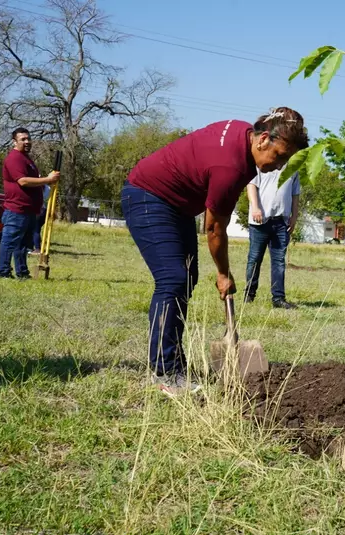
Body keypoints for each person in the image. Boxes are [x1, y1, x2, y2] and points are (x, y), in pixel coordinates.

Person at [121, 108, 308, 396]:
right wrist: (224, 273)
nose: (280, 165)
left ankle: (173, 360)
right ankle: (164, 371)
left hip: (177, 205)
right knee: (172, 279)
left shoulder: (243, 131)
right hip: (149, 195)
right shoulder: (230, 168)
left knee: (185, 278)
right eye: (280, 155)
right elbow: (213, 230)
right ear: (262, 141)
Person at [0, 128, 60, 279]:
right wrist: (48, 179)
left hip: (29, 210)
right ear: (14, 141)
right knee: (10, 242)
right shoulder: (14, 158)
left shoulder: (26, 159)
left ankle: (22, 272)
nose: (27, 142)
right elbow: (23, 181)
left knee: (23, 245)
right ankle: (3, 272)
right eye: (23, 139)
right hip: (16, 210)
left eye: (28, 139)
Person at [243, 164, 301, 309]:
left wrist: (294, 217)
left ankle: (278, 298)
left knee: (279, 262)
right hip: (259, 221)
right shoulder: (262, 163)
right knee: (254, 259)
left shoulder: (293, 167)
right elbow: (251, 185)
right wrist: (255, 207)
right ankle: (249, 294)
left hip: (281, 222)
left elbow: (295, 195)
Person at [31, 184, 52, 254]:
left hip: (38, 210)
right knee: (36, 229)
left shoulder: (35, 187)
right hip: (45, 210)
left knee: (35, 230)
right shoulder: (48, 188)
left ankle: (37, 249)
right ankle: (33, 246)